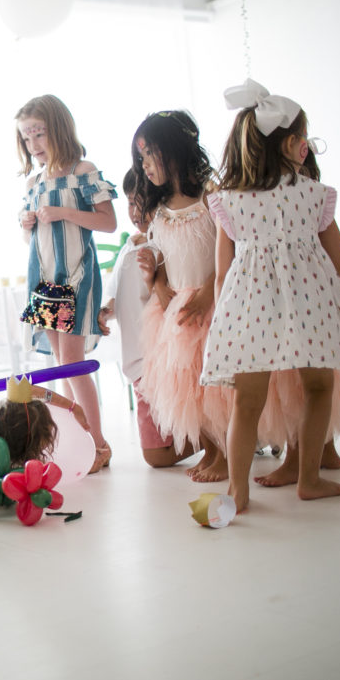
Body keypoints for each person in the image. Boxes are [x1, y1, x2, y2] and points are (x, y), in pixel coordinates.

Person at [202, 79, 340, 512]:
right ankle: (309, 478)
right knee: (319, 386)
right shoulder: (315, 195)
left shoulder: (228, 200)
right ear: (294, 144)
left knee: (246, 402)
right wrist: (336, 304)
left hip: (249, 306)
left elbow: (221, 273)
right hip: (312, 304)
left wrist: (226, 320)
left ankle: (238, 492)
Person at [14, 94, 118, 473]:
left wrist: (61, 212)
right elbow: (35, 245)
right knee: (60, 363)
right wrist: (28, 226)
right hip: (45, 281)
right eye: (27, 138)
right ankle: (76, 441)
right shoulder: (34, 182)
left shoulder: (82, 171)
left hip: (76, 276)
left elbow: (108, 223)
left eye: (38, 134)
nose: (34, 145)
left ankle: (99, 445)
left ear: (57, 130)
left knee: (72, 362)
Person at [131, 110, 231, 482]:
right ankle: (209, 445)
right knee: (185, 385)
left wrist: (207, 293)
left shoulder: (211, 197)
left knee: (215, 386)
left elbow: (229, 252)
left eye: (148, 156)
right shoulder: (158, 211)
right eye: (140, 159)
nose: (144, 166)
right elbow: (161, 262)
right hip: (175, 308)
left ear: (171, 151)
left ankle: (224, 451)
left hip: (212, 300)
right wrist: (158, 287)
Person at [98, 169, 197, 468]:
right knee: (155, 454)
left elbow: (171, 299)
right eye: (130, 202)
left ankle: (221, 439)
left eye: (145, 203)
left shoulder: (164, 247)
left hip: (158, 363)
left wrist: (156, 277)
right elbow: (120, 298)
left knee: (155, 456)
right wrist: (106, 313)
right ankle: (220, 439)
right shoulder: (129, 247)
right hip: (136, 365)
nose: (137, 211)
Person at [0, 376, 90, 472]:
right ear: (29, 439)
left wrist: (74, 407)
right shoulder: (22, 477)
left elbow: (32, 390)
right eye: (47, 428)